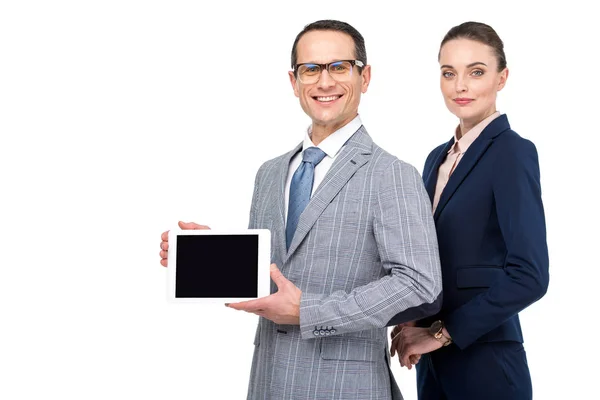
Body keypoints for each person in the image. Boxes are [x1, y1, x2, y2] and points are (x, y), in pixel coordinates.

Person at [160, 20, 442, 400]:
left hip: (345, 387)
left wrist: (309, 311)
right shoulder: (270, 172)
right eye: (310, 69)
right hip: (268, 380)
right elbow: (272, 277)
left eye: (339, 67)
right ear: (294, 82)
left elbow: (418, 283)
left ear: (365, 76)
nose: (324, 83)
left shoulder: (391, 174)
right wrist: (213, 255)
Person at [390, 21, 549, 400]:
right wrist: (413, 314)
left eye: (476, 72)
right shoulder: (436, 159)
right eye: (449, 73)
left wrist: (441, 333)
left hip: (486, 364)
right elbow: (433, 257)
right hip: (431, 367)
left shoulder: (512, 152)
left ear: (502, 77)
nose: (460, 86)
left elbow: (530, 276)